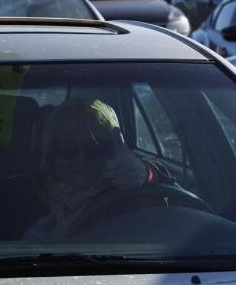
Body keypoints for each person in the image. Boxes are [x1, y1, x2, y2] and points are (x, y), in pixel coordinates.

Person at [25, 98, 149, 240]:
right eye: (68, 149)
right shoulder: (24, 198)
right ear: (51, 154)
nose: (82, 161)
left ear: (113, 151)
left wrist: (147, 172)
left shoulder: (128, 196)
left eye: (96, 148)